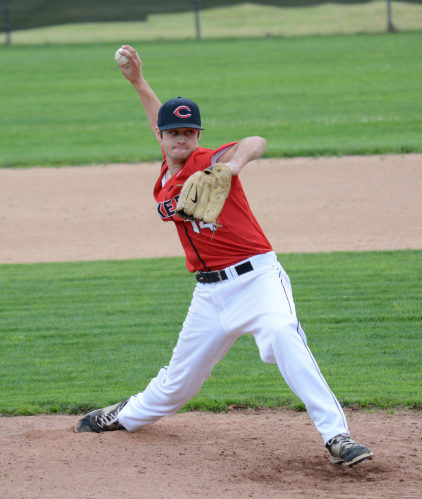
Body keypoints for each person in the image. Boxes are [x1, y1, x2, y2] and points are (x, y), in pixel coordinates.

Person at [75, 45, 373, 467]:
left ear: (198, 136)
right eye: (174, 133)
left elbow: (255, 141)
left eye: (190, 132)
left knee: (283, 332)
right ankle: (124, 414)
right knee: (178, 385)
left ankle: (337, 436)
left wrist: (231, 168)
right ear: (161, 138)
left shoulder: (206, 161)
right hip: (210, 296)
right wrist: (139, 82)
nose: (183, 138)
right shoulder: (167, 171)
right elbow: (161, 125)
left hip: (257, 281)